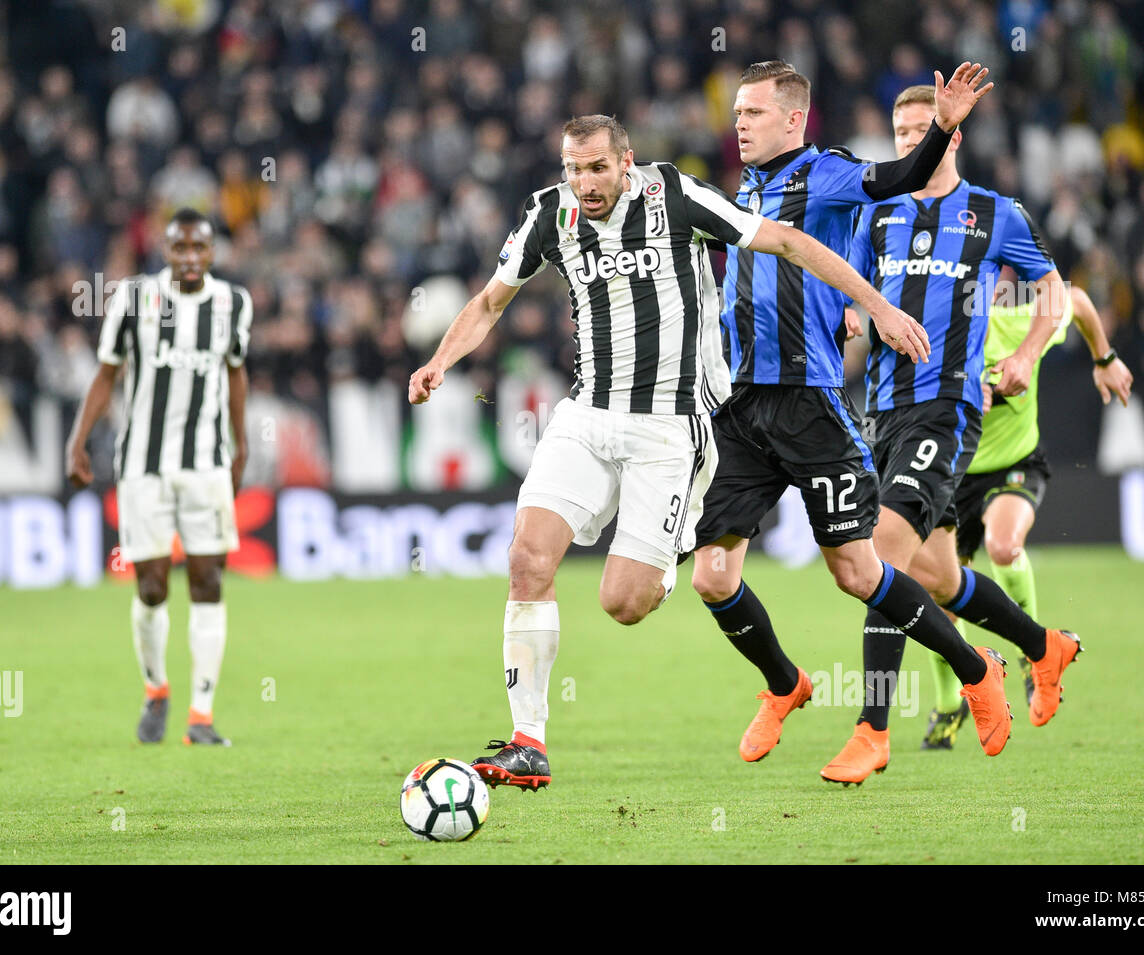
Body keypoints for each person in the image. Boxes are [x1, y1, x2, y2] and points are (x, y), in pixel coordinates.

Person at [407, 115, 933, 791]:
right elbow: (489, 301)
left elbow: (790, 242)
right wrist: (440, 361)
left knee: (623, 602)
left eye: (597, 167)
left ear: (625, 162)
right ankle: (528, 741)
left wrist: (875, 305)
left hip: (669, 426)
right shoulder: (549, 215)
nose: (584, 182)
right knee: (526, 557)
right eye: (574, 168)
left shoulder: (675, 197)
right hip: (588, 414)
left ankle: (673, 555)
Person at [688, 60, 1012, 774]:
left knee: (858, 572)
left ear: (793, 119)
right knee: (711, 575)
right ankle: (785, 683)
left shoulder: (826, 173)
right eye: (737, 113)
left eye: (753, 113)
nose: (738, 124)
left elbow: (893, 179)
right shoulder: (747, 187)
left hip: (807, 401)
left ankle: (974, 666)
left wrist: (942, 130)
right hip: (742, 404)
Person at [827, 83, 1084, 784]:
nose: (911, 141)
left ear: (953, 135)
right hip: (882, 411)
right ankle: (1042, 644)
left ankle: (872, 730)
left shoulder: (995, 214)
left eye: (922, 130)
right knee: (938, 577)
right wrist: (852, 315)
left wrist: (1027, 355)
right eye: (902, 133)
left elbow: (1055, 292)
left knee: (882, 558)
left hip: (946, 408)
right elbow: (849, 288)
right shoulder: (876, 213)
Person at [916, 280, 1132, 747]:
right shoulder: (937, 326)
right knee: (938, 590)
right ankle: (951, 704)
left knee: (1004, 543)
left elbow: (1075, 300)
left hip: (1014, 464)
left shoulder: (1022, 320)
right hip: (951, 473)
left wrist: (1104, 358)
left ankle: (1034, 657)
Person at [66, 208, 251, 746]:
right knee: (149, 587)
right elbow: (107, 374)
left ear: (212, 252)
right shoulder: (132, 299)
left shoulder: (233, 304)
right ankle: (155, 690)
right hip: (142, 465)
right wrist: (78, 441)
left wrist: (240, 446)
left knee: (208, 582)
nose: (190, 258)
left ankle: (202, 715)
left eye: (200, 248)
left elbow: (236, 374)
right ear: (164, 251)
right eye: (180, 248)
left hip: (206, 463)